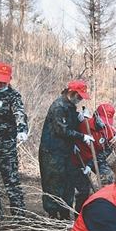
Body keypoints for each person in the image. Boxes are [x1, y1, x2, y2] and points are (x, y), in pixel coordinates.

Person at [39, 80, 93, 220]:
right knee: (53, 183)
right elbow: (62, 130)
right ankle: (52, 215)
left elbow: (71, 123)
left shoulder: (69, 107)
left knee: (68, 182)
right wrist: (82, 137)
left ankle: (65, 213)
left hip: (66, 151)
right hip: (52, 152)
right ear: (71, 93)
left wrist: (79, 118)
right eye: (79, 96)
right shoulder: (59, 107)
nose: (80, 99)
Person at [0, 62, 28, 223]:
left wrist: (22, 129)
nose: (1, 83)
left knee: (11, 181)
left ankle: (19, 217)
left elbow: (19, 113)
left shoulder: (14, 96)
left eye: (4, 81)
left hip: (6, 146)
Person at [71, 103, 116, 212]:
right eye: (102, 120)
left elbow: (104, 154)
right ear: (96, 115)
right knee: (84, 191)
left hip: (96, 159)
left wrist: (90, 165)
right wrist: (71, 145)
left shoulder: (110, 133)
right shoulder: (83, 124)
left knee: (108, 180)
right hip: (78, 159)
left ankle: (107, 208)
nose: (104, 124)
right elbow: (69, 134)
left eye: (107, 122)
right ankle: (79, 215)